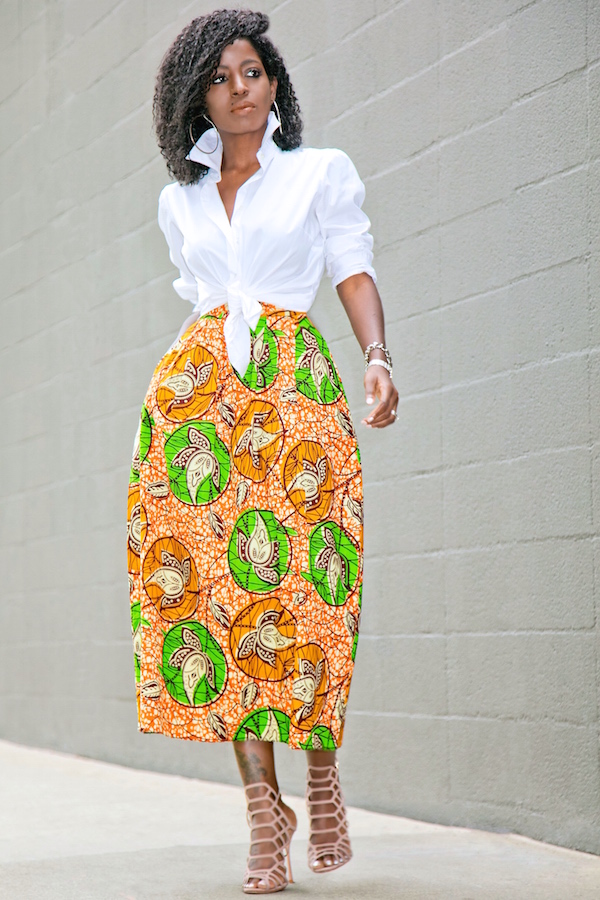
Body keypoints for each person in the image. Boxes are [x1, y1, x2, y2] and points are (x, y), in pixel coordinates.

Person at [127, 8, 398, 894]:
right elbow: (203, 294)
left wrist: (377, 358)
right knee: (211, 595)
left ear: (273, 81)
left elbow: (351, 266)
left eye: (250, 72)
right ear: (195, 98)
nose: (237, 88)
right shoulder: (181, 201)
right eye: (219, 78)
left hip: (293, 389)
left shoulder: (320, 173)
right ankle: (260, 813)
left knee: (311, 581)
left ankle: (318, 770)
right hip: (199, 398)